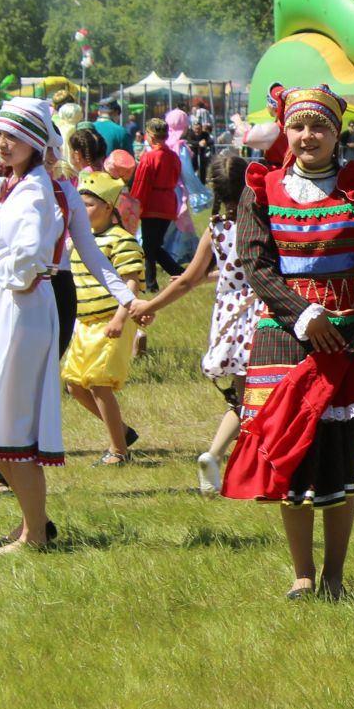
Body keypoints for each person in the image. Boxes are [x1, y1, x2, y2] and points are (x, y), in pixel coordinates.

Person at [221, 85, 354, 599]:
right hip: (284, 335)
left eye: (320, 127)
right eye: (299, 126)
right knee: (287, 453)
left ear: (337, 133)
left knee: (340, 457)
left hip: (350, 335)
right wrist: (303, 315)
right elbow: (256, 265)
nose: (309, 136)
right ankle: (301, 573)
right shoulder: (260, 187)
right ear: (285, 130)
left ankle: (334, 575)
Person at [0, 95, 139, 552]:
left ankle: (34, 534)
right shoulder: (11, 186)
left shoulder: (38, 192)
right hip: (10, 306)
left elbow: (60, 252)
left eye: (13, 137)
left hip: (26, 307)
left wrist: (126, 298)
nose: (2, 143)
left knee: (7, 425)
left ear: (34, 142)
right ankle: (36, 525)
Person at [126, 152, 255, 494]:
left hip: (230, 321)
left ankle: (215, 454)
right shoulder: (262, 221)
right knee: (265, 398)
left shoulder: (216, 228)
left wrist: (150, 304)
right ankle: (251, 466)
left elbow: (186, 280)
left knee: (243, 400)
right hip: (262, 315)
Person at [58, 170, 146, 464]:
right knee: (74, 384)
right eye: (79, 205)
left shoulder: (121, 240)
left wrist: (120, 319)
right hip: (84, 324)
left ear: (109, 207)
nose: (82, 211)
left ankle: (118, 451)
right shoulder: (80, 241)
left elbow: (131, 282)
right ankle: (120, 430)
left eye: (89, 205)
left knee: (99, 384)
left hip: (110, 321)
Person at [130, 118, 186, 294]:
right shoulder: (173, 157)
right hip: (168, 202)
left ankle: (153, 282)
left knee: (149, 246)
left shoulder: (148, 157)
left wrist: (135, 204)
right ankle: (177, 273)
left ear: (150, 136)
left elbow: (141, 183)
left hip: (152, 203)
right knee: (154, 245)